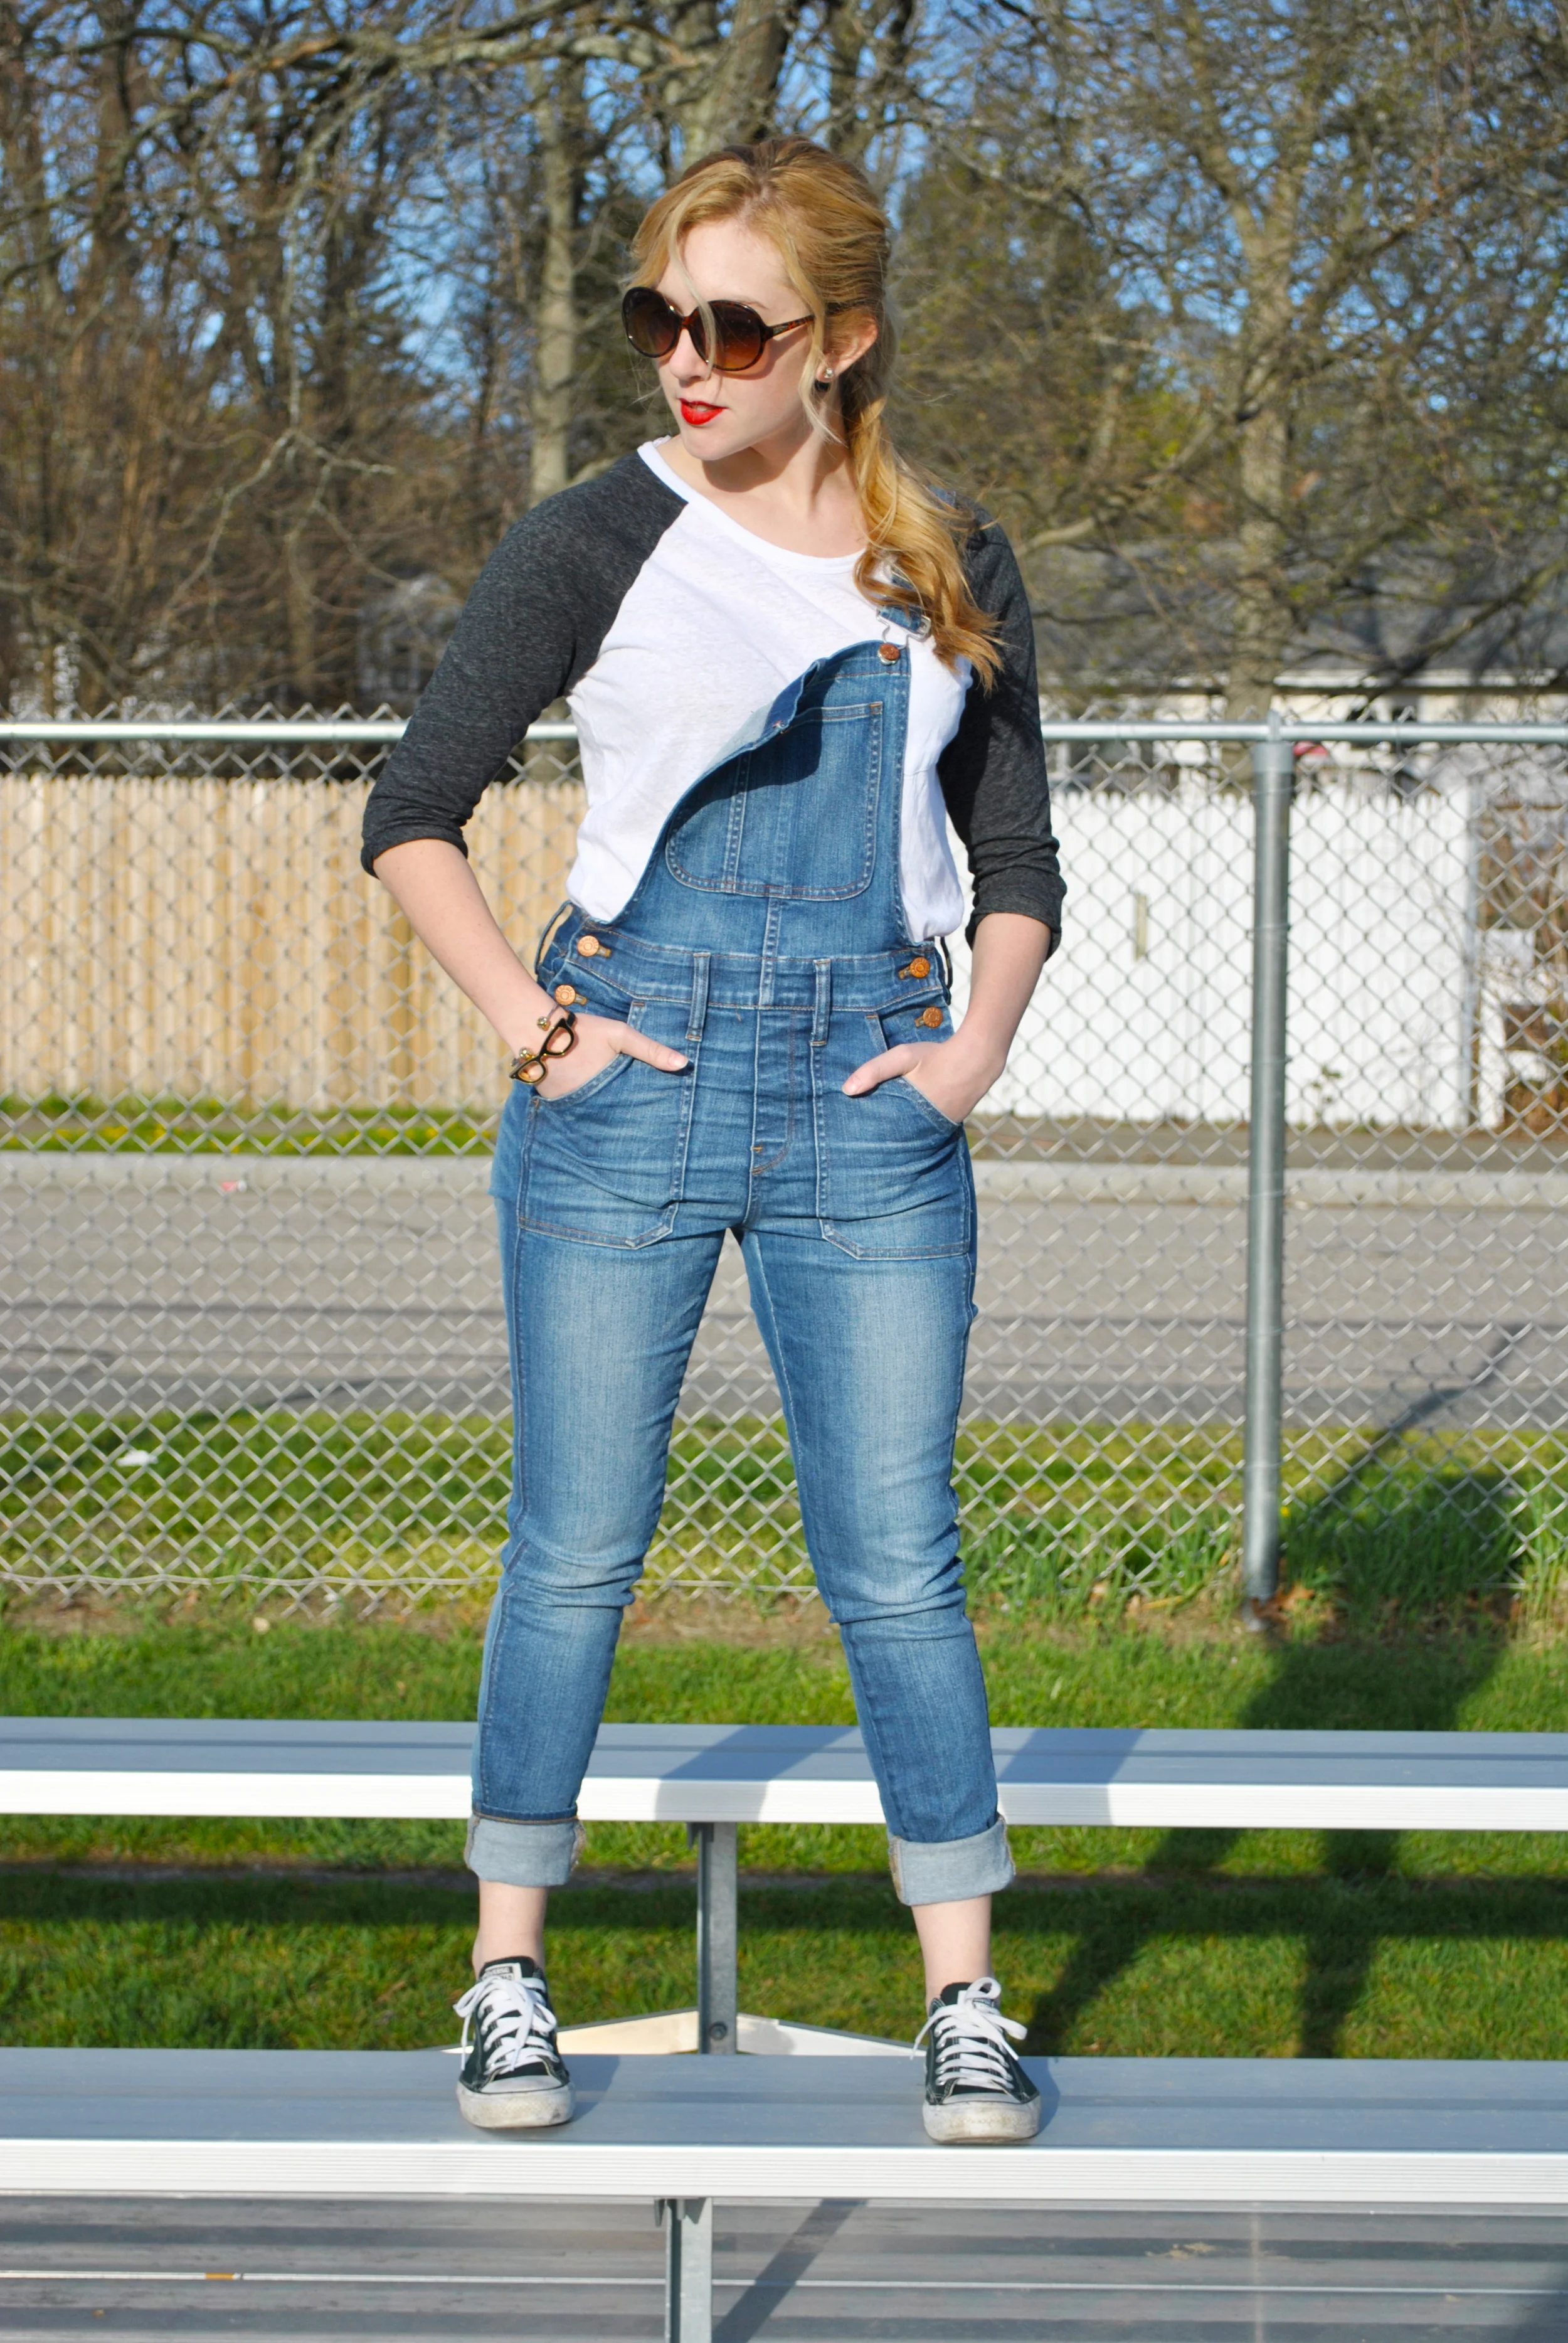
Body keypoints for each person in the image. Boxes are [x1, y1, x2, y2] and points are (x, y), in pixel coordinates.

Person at [361, 134, 1063, 2145]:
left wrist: (969, 1054)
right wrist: (535, 1029)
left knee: (897, 1565)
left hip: (871, 1106)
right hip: (627, 1094)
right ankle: (506, 1975)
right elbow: (412, 810)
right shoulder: (598, 535)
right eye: (658, 317)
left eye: (734, 326)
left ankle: (963, 2002)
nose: (688, 358)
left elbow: (1016, 855)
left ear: (838, 339)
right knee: (575, 1548)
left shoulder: (948, 556)